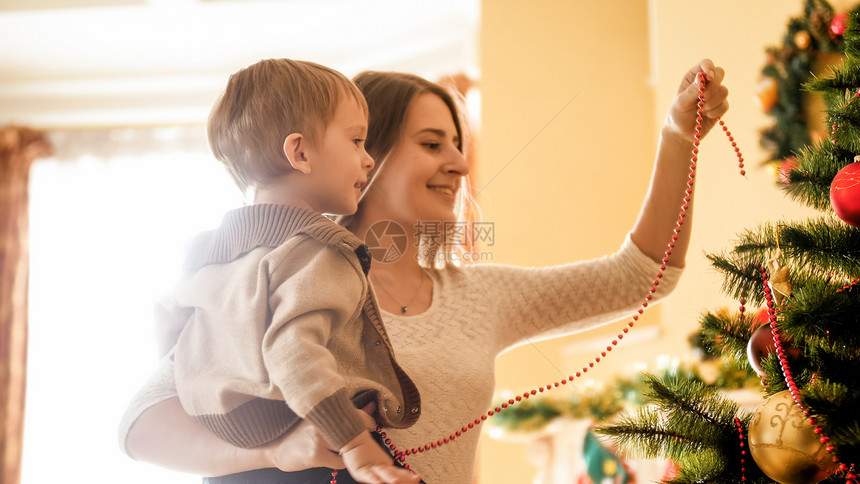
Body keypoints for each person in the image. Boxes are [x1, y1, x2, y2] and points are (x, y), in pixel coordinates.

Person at [119, 59, 729, 483]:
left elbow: (645, 274)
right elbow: (141, 427)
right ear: (367, 153)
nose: (461, 164)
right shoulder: (269, 281)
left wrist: (680, 136)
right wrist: (275, 452)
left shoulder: (480, 296)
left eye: (458, 145)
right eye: (433, 144)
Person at [157, 57, 422, 484]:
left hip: (232, 460)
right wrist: (355, 442)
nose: (368, 160)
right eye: (356, 142)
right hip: (318, 451)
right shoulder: (320, 249)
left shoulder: (205, 251)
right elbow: (293, 351)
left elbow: (172, 330)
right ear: (300, 152)